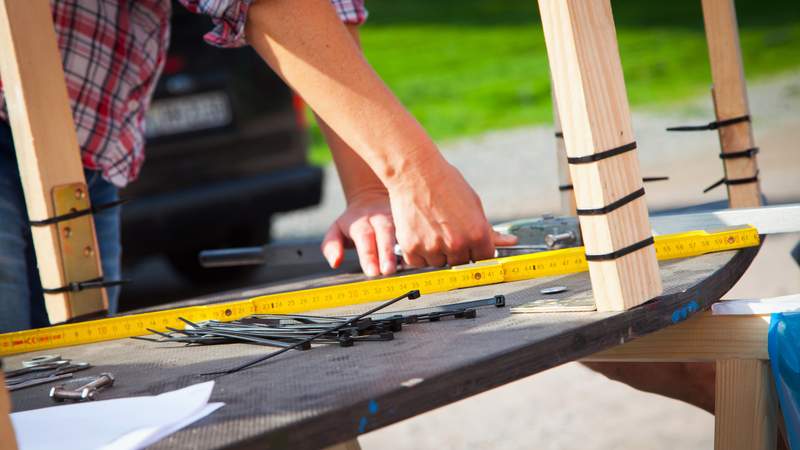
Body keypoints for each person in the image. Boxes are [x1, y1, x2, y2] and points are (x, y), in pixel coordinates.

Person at [0, 0, 515, 333]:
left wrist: (370, 192)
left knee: (74, 384)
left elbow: (328, 9)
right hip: (18, 115)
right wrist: (414, 171)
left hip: (81, 153)